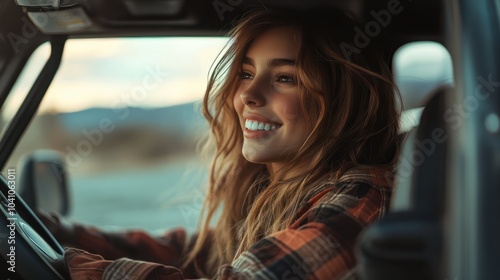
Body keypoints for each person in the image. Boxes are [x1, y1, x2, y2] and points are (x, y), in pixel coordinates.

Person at [41, 7, 401, 280]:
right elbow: (193, 253)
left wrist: (80, 270)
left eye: (285, 77)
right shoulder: (276, 192)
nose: (247, 93)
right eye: (246, 73)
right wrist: (53, 232)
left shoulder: (361, 198)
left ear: (343, 100)